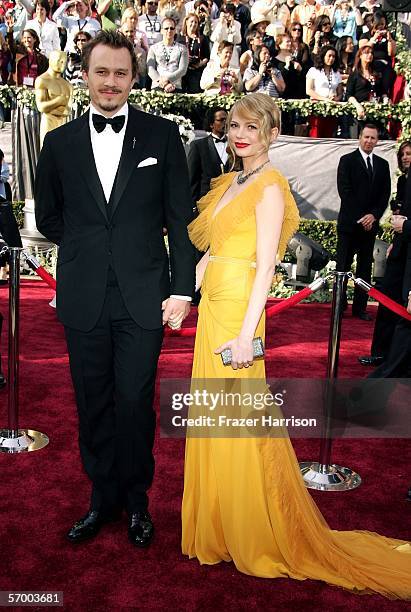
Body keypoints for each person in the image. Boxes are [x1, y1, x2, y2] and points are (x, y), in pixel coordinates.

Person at [181, 92, 411, 598]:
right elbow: (215, 251)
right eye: (236, 125)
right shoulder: (230, 180)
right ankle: (219, 524)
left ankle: (249, 529)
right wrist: (182, 296)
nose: (241, 135)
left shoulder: (268, 186)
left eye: (253, 128)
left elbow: (265, 265)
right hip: (214, 308)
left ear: (270, 134)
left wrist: (247, 333)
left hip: (240, 313)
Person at [34, 30, 195, 548]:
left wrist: (182, 289)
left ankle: (137, 502)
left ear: (133, 77)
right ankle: (101, 499)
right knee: (92, 403)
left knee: (133, 402)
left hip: (143, 297)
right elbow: (49, 216)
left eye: (121, 73)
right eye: (101, 72)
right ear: (85, 75)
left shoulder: (162, 135)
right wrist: (88, 248)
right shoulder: (57, 143)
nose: (111, 83)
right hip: (84, 296)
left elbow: (179, 218)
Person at [359, 140, 411, 366]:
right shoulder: (402, 180)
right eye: (403, 154)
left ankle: (396, 359)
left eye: (410, 153)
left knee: (403, 303)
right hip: (401, 246)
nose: (406, 157)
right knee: (388, 299)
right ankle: (381, 353)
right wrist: (395, 240)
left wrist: (405, 226)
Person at [336, 123, 391, 320]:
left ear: (377, 141)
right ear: (360, 137)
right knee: (342, 266)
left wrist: (373, 215)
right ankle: (339, 306)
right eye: (366, 137)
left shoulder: (383, 165)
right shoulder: (347, 161)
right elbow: (345, 192)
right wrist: (362, 217)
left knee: (364, 268)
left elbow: (384, 195)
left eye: (373, 138)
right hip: (349, 224)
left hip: (370, 227)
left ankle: (360, 308)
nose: (369, 141)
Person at [187, 106, 229, 204]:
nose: (226, 123)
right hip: (206, 202)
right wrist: (192, 205)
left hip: (231, 201)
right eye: (221, 120)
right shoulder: (198, 145)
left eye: (227, 119)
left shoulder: (235, 144)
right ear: (211, 124)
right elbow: (192, 178)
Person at [35, 49, 73, 146]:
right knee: (48, 155)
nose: (62, 64)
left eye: (64, 61)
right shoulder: (42, 80)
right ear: (51, 60)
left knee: (64, 156)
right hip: (49, 122)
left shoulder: (68, 85)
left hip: (64, 123)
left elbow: (68, 109)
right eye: (59, 60)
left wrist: (61, 109)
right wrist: (58, 100)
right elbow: (41, 107)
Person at [147, 17, 188, 92]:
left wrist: (168, 79)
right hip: (158, 85)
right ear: (161, 31)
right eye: (166, 28)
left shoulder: (182, 48)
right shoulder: (153, 48)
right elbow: (150, 69)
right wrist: (163, 83)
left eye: (172, 28)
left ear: (175, 30)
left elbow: (182, 70)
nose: (169, 31)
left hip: (176, 86)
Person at [178, 12, 209, 93]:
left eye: (196, 22)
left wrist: (200, 64)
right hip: (182, 71)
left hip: (197, 72)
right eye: (191, 21)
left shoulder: (202, 38)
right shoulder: (179, 38)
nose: (193, 24)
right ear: (186, 22)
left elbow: (207, 56)